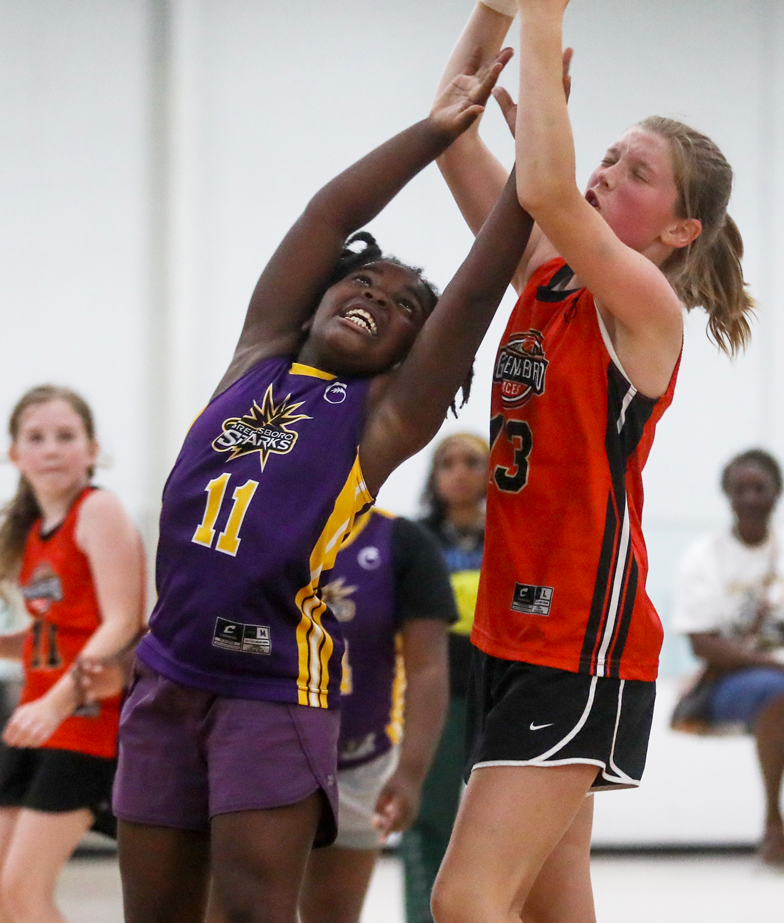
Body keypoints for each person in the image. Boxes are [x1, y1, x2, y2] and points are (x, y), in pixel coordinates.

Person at [110, 52, 534, 923]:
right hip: (164, 674)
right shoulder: (258, 354)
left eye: (403, 308)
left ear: (410, 354)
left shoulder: (383, 417)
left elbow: (480, 289)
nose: (378, 299)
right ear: (313, 300)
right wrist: (432, 134)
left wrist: (532, 177)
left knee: (257, 913)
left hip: (273, 687)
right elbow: (331, 211)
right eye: (362, 281)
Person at [427, 0, 754, 923]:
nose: (610, 165)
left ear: (676, 230)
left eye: (638, 170)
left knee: (467, 899)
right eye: (607, 151)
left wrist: (545, 10)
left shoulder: (645, 305)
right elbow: (447, 127)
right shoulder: (542, 270)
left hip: (583, 632)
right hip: (521, 635)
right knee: (548, 905)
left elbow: (551, 193)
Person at [0, 385, 145, 923]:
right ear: (15, 454)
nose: (52, 449)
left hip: (84, 721)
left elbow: (120, 622)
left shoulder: (98, 509)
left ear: (91, 449)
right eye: (36, 438)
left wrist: (54, 704)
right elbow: (49, 638)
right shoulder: (33, 531)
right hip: (37, 720)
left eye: (67, 436)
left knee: (22, 894)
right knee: (4, 897)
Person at [298, 506, 457, 923]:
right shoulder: (268, 521)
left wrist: (409, 773)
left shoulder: (402, 542)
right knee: (250, 905)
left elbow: (428, 666)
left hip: (360, 759)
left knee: (333, 914)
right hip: (270, 751)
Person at [671, 449, 784, 865]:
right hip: (733, 681)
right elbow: (702, 643)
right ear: (726, 494)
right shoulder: (704, 556)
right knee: (781, 694)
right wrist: (779, 665)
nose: (750, 498)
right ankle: (774, 821)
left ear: (778, 493)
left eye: (759, 488)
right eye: (740, 489)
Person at [401, 433, 489, 923]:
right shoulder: (415, 540)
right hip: (436, 700)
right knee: (429, 821)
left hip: (497, 696)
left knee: (494, 828)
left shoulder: (512, 533)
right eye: (447, 463)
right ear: (433, 476)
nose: (459, 472)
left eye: (472, 462)